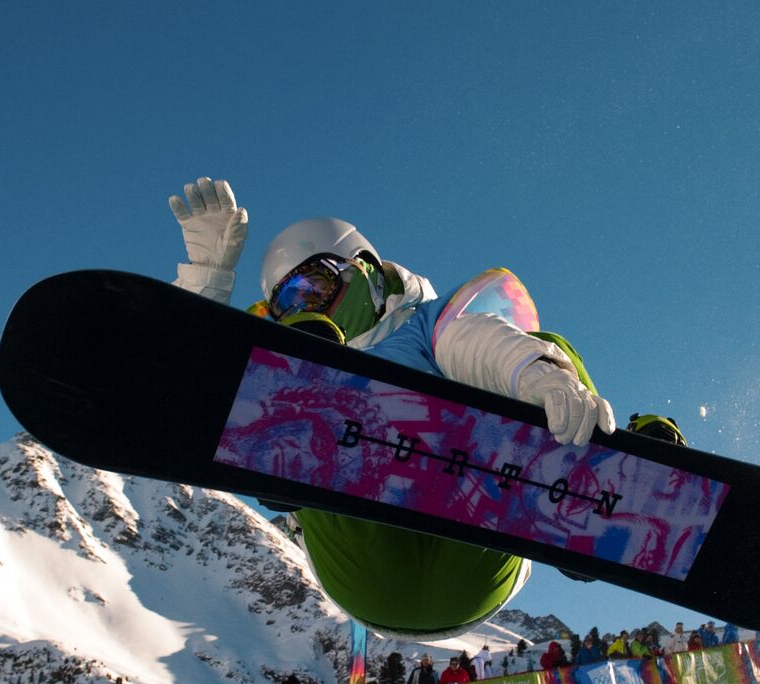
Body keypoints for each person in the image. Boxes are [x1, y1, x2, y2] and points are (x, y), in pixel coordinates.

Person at [167, 178, 637, 638]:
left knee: (544, 345)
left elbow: (477, 342)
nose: (306, 307)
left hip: (473, 543)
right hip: (363, 560)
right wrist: (207, 279)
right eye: (289, 303)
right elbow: (209, 387)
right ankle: (302, 455)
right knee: (275, 378)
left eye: (316, 286)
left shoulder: (428, 326)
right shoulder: (297, 363)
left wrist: (536, 372)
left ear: (365, 270)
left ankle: (580, 495)